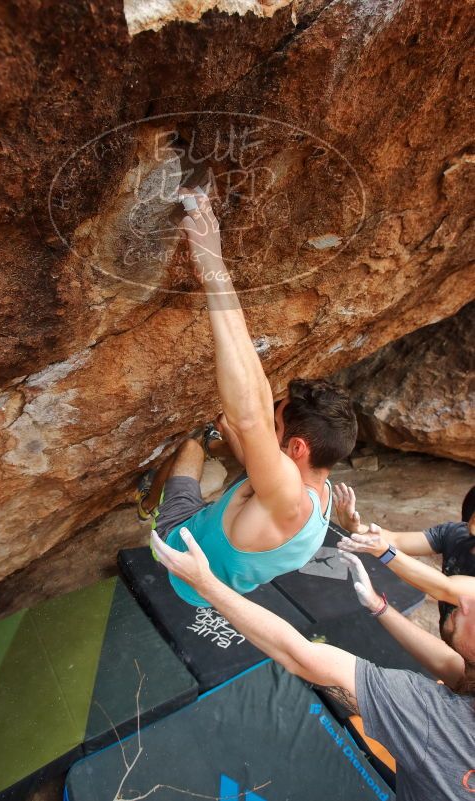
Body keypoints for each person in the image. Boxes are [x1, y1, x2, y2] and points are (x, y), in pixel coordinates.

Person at [137, 186, 358, 606]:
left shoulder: (287, 498)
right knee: (228, 451)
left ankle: (150, 506)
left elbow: (250, 419)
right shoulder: (321, 495)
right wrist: (242, 440)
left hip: (183, 563)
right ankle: (164, 487)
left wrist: (212, 265)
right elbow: (258, 450)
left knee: (190, 445)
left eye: (277, 424)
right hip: (223, 582)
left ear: (296, 446)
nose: (267, 424)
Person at [151, 526, 475, 801]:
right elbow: (451, 664)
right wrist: (379, 607)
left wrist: (206, 584)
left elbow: (300, 655)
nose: (464, 597)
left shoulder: (437, 720)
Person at [334, 483, 475, 631]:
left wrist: (384, 552)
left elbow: (445, 588)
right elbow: (397, 540)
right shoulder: (456, 533)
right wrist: (356, 528)